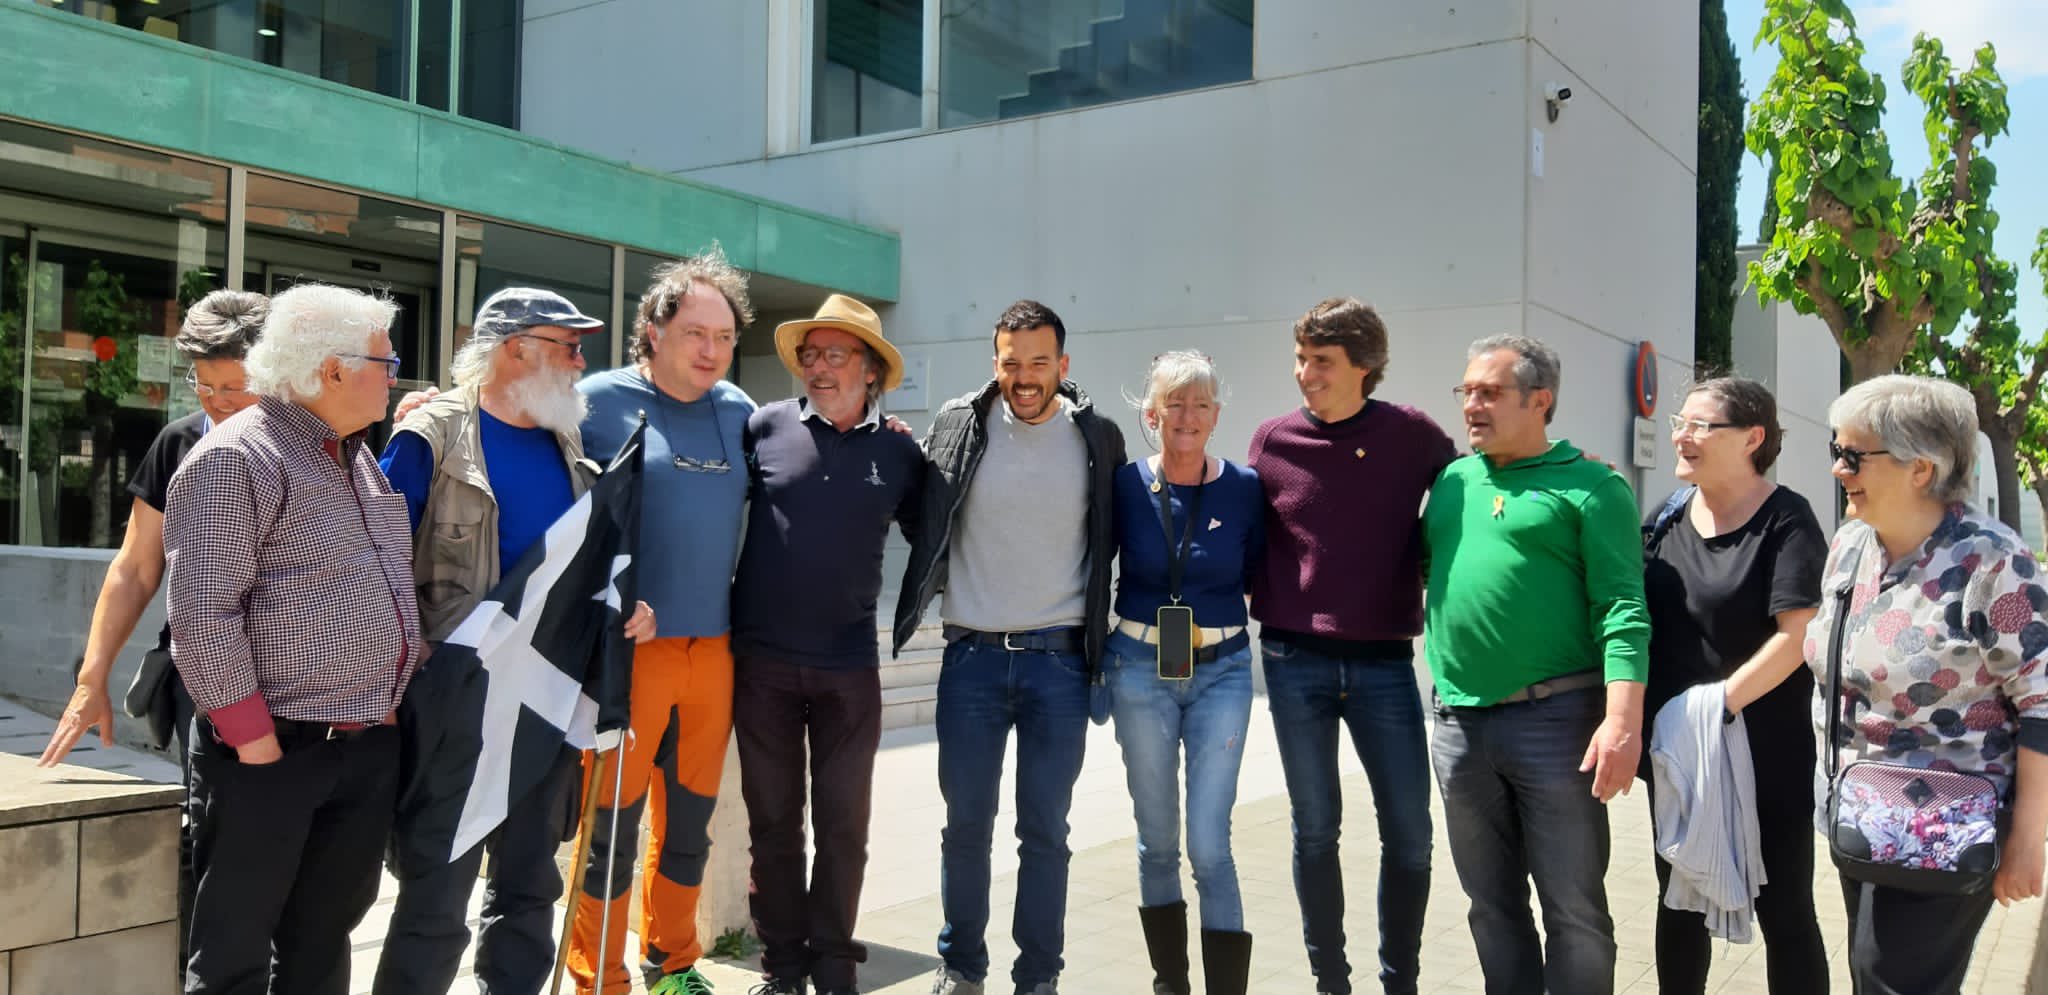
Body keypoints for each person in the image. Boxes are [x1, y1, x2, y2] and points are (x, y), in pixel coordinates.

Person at [372, 287, 654, 995]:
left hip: (543, 703)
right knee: (436, 900)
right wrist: (411, 659)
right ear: (514, 349)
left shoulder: (569, 447)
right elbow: (372, 564)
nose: (580, 361)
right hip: (454, 710)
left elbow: (578, 571)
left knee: (529, 894)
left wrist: (626, 610)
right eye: (568, 345)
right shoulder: (429, 437)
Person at [165, 282, 424, 994]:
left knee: (320, 947)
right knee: (235, 957)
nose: (395, 369)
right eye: (384, 357)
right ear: (333, 370)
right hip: (273, 751)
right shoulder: (237, 458)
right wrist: (256, 744)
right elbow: (202, 614)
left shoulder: (356, 455)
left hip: (361, 745)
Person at [892, 300, 1127, 995]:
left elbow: (1116, 538)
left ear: (1063, 364)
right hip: (972, 660)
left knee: (1045, 832)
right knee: (966, 825)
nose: (1024, 376)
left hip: (1059, 662)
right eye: (1010, 361)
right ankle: (962, 967)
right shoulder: (959, 424)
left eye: (1038, 362)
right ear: (994, 362)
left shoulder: (1098, 437)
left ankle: (1038, 977)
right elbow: (924, 517)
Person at [37, 289, 268, 948]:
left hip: (300, 679)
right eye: (205, 384)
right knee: (207, 833)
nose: (218, 400)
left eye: (235, 386)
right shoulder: (179, 444)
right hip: (209, 679)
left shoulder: (315, 444)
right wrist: (93, 676)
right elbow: (136, 568)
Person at [1421, 334, 1650, 995]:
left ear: (1540, 400)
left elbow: (1623, 611)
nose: (1471, 405)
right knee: (1490, 906)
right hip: (1458, 724)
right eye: (1466, 391)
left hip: (1556, 723)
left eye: (1488, 391)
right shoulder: (1453, 481)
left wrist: (1621, 722)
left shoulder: (1594, 486)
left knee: (1574, 911)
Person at [1806, 374, 2047, 993]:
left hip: (1948, 820)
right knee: (1871, 971)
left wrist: (2028, 840)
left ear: (1921, 467)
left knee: (1893, 981)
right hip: (1861, 807)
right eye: (1836, 450)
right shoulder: (1852, 546)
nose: (1838, 468)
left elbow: (2042, 701)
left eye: (1853, 454)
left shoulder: (1993, 562)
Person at [1247, 298, 1455, 995]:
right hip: (1291, 660)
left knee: (1411, 833)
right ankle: (1330, 980)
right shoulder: (1271, 441)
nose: (1305, 372)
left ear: (1364, 366)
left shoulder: (1415, 437)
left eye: (1322, 361)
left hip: (1386, 663)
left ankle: (1400, 980)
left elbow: (1461, 506)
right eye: (1301, 357)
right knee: (1315, 830)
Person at [568, 249, 758, 995]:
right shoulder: (593, 402)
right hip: (628, 657)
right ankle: (597, 975)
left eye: (723, 337)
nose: (710, 350)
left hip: (714, 653)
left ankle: (671, 963)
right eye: (695, 333)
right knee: (611, 829)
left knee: (689, 829)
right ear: (653, 328)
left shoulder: (741, 411)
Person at [729, 294, 924, 995]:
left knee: (845, 827)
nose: (816, 366)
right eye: (809, 354)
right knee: (773, 826)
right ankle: (783, 968)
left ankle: (835, 965)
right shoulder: (761, 426)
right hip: (763, 665)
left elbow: (938, 530)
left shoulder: (902, 451)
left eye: (833, 354)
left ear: (871, 370)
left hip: (849, 667)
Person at [1639, 377, 1828, 993]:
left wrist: (1715, 704)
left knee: (1786, 910)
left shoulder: (1786, 519)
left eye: (1700, 425)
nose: (1681, 435)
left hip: (1764, 751)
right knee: (1678, 900)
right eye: (1679, 421)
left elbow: (1798, 635)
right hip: (1678, 750)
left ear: (1752, 438)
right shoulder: (1665, 516)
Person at [1108, 351, 1261, 995]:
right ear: (1152, 414)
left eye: (1200, 404)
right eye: (1175, 403)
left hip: (1223, 672)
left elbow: (1261, 569)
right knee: (1158, 841)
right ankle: (1170, 982)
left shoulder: (1246, 488)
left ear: (1217, 415)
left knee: (1208, 844)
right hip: (1140, 668)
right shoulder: (1123, 485)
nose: (1188, 416)